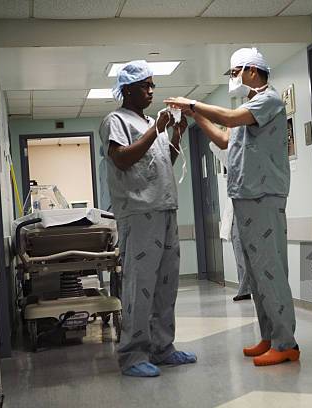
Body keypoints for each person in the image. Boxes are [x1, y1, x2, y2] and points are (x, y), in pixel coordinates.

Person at [164, 48, 299, 366]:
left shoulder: (270, 100)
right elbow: (225, 139)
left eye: (235, 72)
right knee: (255, 274)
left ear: (253, 70)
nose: (234, 79)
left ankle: (285, 343)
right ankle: (269, 337)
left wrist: (193, 103)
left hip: (264, 195)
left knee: (271, 271)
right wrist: (196, 117)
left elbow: (229, 118)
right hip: (246, 196)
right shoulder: (251, 106)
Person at [99, 60, 196, 378]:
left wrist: (176, 134)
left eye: (153, 85)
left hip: (165, 209)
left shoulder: (153, 122)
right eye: (145, 86)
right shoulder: (116, 121)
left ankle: (162, 348)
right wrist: (157, 129)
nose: (151, 91)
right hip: (139, 214)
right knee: (140, 286)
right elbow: (123, 159)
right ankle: (132, 355)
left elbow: (163, 162)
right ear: (127, 90)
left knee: (166, 286)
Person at [208, 142, 251, 302]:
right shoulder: (234, 158)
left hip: (251, 209)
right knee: (239, 251)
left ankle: (247, 288)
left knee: (248, 253)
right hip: (238, 209)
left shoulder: (252, 155)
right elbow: (214, 145)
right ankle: (244, 288)